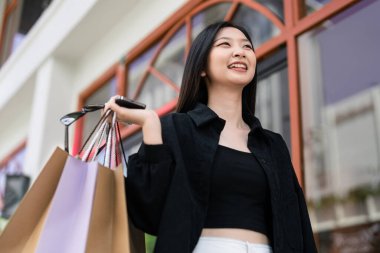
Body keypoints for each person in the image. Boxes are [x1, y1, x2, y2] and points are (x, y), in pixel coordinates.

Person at [104, 21, 318, 253]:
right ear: (201, 67)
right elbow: (148, 215)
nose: (240, 52)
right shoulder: (176, 129)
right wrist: (150, 123)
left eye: (247, 47)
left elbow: (298, 225)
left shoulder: (272, 145)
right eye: (225, 44)